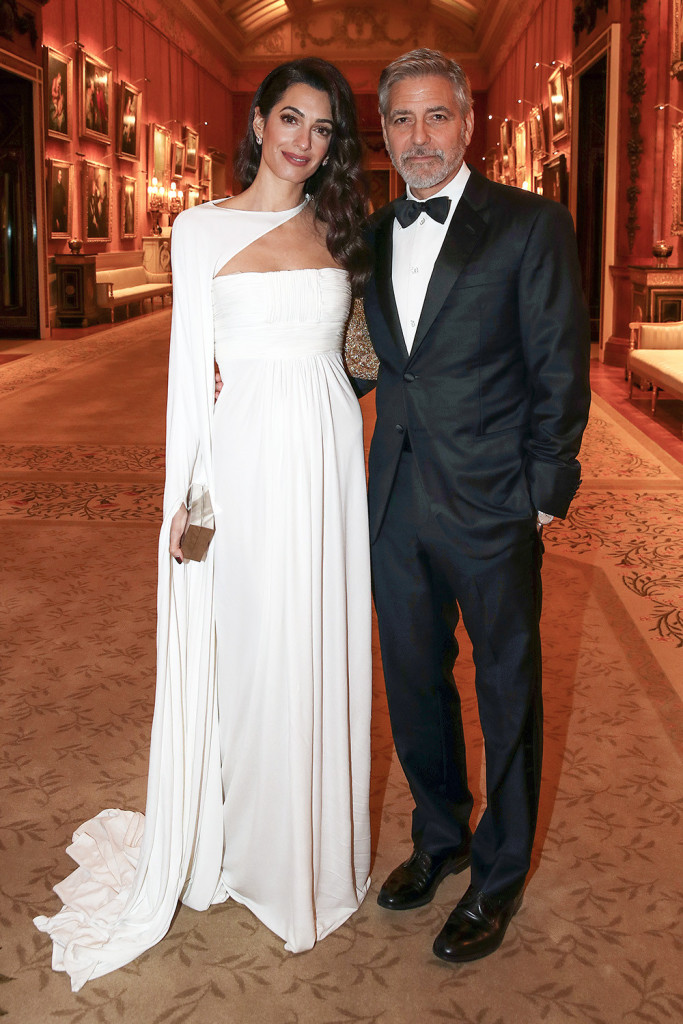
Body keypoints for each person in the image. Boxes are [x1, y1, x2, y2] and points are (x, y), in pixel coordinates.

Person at [34, 57, 373, 990]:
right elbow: (190, 374)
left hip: (328, 456)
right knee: (253, 647)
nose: (305, 142)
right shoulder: (199, 229)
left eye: (323, 129)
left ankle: (312, 846)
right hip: (246, 457)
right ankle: (250, 844)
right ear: (259, 122)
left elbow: (361, 352)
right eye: (292, 119)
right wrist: (189, 495)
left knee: (318, 639)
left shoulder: (340, 225)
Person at [359, 49, 591, 963]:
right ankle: (440, 836)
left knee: (505, 690)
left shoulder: (530, 224)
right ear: (384, 133)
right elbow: (364, 359)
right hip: (395, 500)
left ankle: (498, 875)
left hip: (494, 501)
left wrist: (542, 494)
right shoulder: (371, 234)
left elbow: (559, 365)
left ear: (467, 123)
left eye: (435, 117)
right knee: (413, 681)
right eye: (401, 120)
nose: (418, 137)